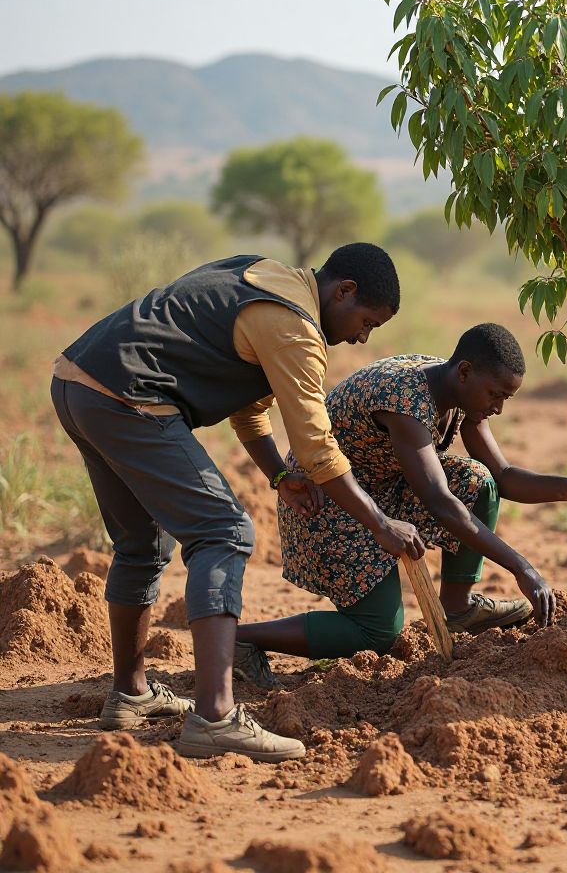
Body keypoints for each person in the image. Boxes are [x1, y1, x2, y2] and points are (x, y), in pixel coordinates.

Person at [50, 244, 421, 763]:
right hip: (129, 395)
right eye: (366, 322)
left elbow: (248, 411)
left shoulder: (260, 273)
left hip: (77, 381)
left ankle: (130, 694)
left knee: (142, 543)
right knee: (225, 533)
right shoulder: (295, 327)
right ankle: (215, 718)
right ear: (344, 291)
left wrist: (278, 474)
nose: (362, 336)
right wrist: (380, 523)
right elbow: (317, 448)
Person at [233, 323, 567, 679]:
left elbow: (503, 476)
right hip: (326, 501)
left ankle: (458, 608)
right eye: (495, 395)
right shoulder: (405, 402)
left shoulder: (457, 391)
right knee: (378, 632)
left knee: (477, 481)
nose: (498, 408)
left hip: (384, 488)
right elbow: (440, 502)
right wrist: (522, 568)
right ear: (464, 372)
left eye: (506, 398)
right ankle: (243, 638)